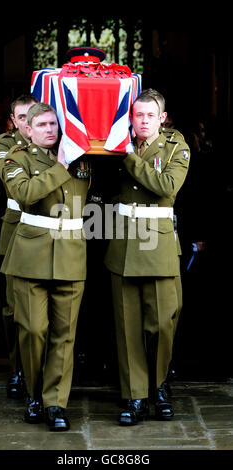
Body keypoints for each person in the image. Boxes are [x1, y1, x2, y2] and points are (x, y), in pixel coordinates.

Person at [104, 89, 190, 424]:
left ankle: (159, 384)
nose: (142, 121)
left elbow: (166, 186)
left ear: (162, 118)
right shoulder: (116, 142)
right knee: (127, 328)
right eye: (137, 115)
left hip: (158, 244)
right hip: (124, 243)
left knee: (162, 323)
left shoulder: (175, 146)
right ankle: (135, 396)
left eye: (149, 115)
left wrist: (127, 156)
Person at [1, 102, 88, 431]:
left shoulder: (79, 154)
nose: (50, 130)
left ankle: (55, 403)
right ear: (29, 129)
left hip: (70, 256)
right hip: (30, 256)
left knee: (64, 336)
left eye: (54, 124)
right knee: (34, 329)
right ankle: (34, 393)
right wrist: (60, 167)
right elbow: (24, 194)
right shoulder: (18, 158)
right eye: (42, 125)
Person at [0, 94, 39, 398]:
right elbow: (8, 178)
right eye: (20, 118)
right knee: (14, 307)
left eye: (30, 116)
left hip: (45, 230)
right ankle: (18, 369)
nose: (25, 123)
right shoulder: (5, 144)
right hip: (16, 227)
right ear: (13, 121)